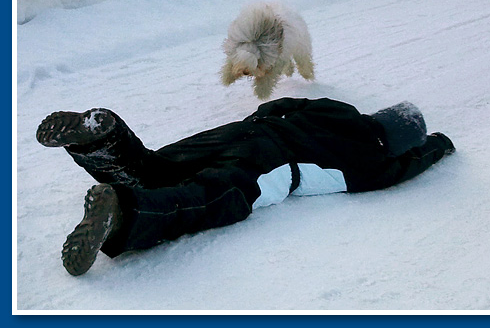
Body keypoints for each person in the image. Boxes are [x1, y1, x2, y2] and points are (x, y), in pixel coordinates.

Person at [36, 97, 455, 276]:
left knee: (162, 164)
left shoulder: (341, 109)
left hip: (241, 132)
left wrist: (259, 121)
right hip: (268, 164)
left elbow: (281, 106)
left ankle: (101, 139)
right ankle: (123, 214)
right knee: (206, 198)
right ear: (398, 143)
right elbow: (409, 166)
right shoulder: (374, 163)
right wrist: (439, 145)